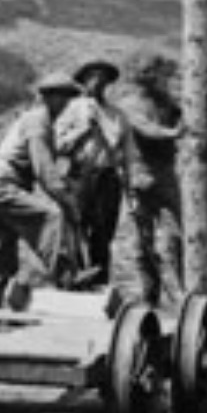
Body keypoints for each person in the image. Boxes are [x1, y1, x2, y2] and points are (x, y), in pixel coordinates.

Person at [0, 73, 84, 303]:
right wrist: (68, 201)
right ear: (47, 98)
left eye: (68, 98)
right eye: (60, 97)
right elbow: (45, 171)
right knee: (51, 217)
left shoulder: (39, 122)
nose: (65, 103)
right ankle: (66, 276)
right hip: (4, 187)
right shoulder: (37, 121)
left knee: (0, 260)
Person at [110, 52, 187, 314]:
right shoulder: (130, 105)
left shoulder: (165, 104)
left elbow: (190, 112)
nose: (159, 80)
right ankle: (149, 295)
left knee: (174, 235)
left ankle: (177, 294)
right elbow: (147, 130)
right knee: (142, 242)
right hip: (140, 176)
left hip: (164, 174)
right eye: (153, 74)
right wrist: (174, 133)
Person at [55, 57, 126, 286]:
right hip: (79, 174)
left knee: (103, 232)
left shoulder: (116, 114)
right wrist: (82, 132)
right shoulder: (71, 109)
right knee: (74, 228)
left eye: (102, 78)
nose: (97, 82)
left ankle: (100, 280)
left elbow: (125, 149)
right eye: (92, 77)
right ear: (84, 81)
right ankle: (72, 278)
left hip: (108, 177)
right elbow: (58, 143)